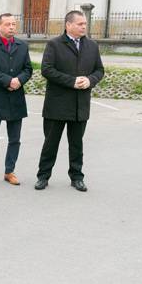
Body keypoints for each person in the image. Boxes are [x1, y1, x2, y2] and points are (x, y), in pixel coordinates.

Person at [35, 10, 105, 192]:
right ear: (68, 25)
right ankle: (43, 176)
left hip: (79, 106)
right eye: (80, 24)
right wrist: (72, 81)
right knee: (50, 144)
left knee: (77, 144)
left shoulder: (92, 45)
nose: (84, 26)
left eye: (85, 24)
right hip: (57, 105)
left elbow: (99, 70)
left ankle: (77, 177)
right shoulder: (54, 44)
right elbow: (47, 70)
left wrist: (90, 80)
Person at [0, 13, 33, 186]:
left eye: (14, 24)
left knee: (15, 139)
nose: (12, 27)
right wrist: (8, 81)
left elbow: (28, 69)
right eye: (8, 24)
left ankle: (10, 171)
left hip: (16, 97)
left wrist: (19, 80)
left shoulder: (22, 46)